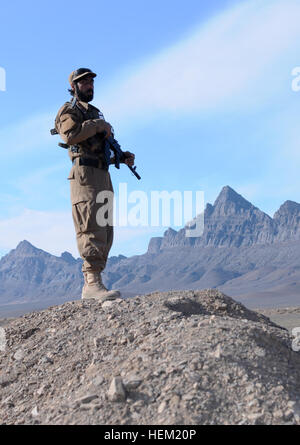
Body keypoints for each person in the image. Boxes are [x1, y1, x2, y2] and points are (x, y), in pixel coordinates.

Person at [54, 68, 135, 302]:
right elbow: (69, 135)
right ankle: (91, 283)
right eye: (84, 82)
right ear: (74, 87)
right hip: (84, 175)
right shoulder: (69, 110)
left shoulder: (95, 113)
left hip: (102, 173)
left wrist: (120, 157)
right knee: (90, 225)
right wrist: (98, 126)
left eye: (91, 82)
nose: (90, 86)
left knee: (105, 228)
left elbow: (99, 147)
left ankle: (97, 280)